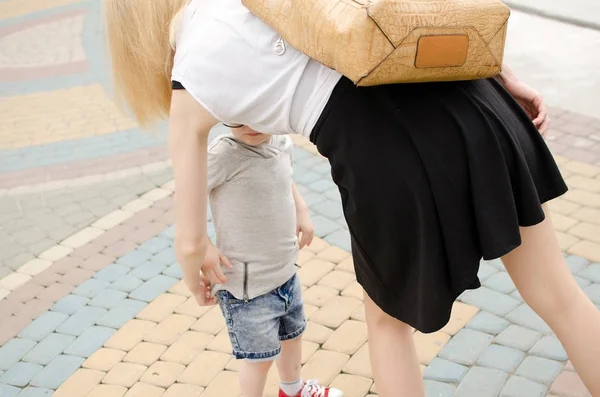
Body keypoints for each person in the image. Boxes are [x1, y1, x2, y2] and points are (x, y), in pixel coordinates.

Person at [103, 0, 600, 395]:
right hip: (471, 90)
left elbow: (190, 243)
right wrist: (502, 73)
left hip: (385, 148)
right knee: (561, 298)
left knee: (388, 327)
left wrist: (201, 272)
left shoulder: (192, 75)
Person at [198, 126, 342, 397]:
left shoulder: (281, 143)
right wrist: (203, 246)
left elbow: (285, 177)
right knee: (259, 359)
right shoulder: (223, 154)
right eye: (240, 117)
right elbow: (186, 197)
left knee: (293, 335)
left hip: (285, 272)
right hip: (247, 287)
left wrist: (302, 209)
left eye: (260, 115)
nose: (251, 126)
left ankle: (293, 390)